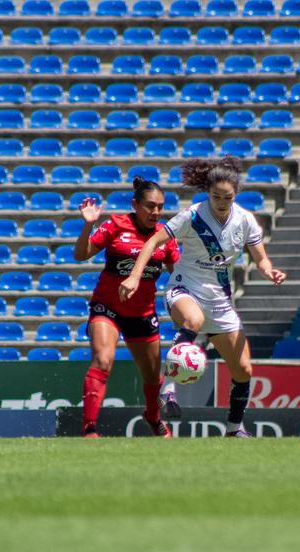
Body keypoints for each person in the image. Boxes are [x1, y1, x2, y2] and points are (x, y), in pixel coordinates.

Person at [119, 157, 286, 437]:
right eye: (216, 196)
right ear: (207, 192)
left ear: (236, 194)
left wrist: (270, 272)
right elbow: (152, 241)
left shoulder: (245, 221)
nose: (221, 202)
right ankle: (169, 389)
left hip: (220, 301)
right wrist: (135, 275)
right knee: (193, 319)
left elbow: (262, 260)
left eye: (227, 197)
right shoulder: (193, 216)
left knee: (243, 369)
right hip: (185, 288)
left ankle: (234, 428)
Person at [73, 177, 180, 438]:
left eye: (160, 207)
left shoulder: (165, 236)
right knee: (103, 359)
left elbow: (180, 272)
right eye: (150, 206)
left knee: (153, 378)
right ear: (135, 204)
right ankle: (89, 429)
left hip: (142, 313)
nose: (155, 212)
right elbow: (81, 254)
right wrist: (88, 226)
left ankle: (153, 418)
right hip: (107, 307)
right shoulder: (117, 224)